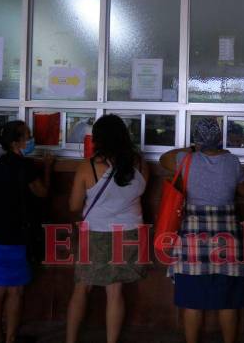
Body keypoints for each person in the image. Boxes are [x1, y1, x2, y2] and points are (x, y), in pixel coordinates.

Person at [160, 117, 244, 343]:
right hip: (226, 235)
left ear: (197, 139)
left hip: (193, 234)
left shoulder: (185, 159)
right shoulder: (232, 162)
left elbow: (163, 159)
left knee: (192, 298)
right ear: (220, 138)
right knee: (228, 297)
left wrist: (193, 148)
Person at [66, 114, 149, 343]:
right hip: (129, 233)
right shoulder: (141, 164)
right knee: (115, 292)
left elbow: (74, 205)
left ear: (98, 138)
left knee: (82, 287)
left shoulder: (88, 167)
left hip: (95, 232)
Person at [0, 120, 54, 343]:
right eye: (28, 136)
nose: (31, 139)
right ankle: (11, 338)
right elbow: (42, 193)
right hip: (17, 236)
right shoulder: (25, 166)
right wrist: (47, 168)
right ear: (17, 142)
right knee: (15, 291)